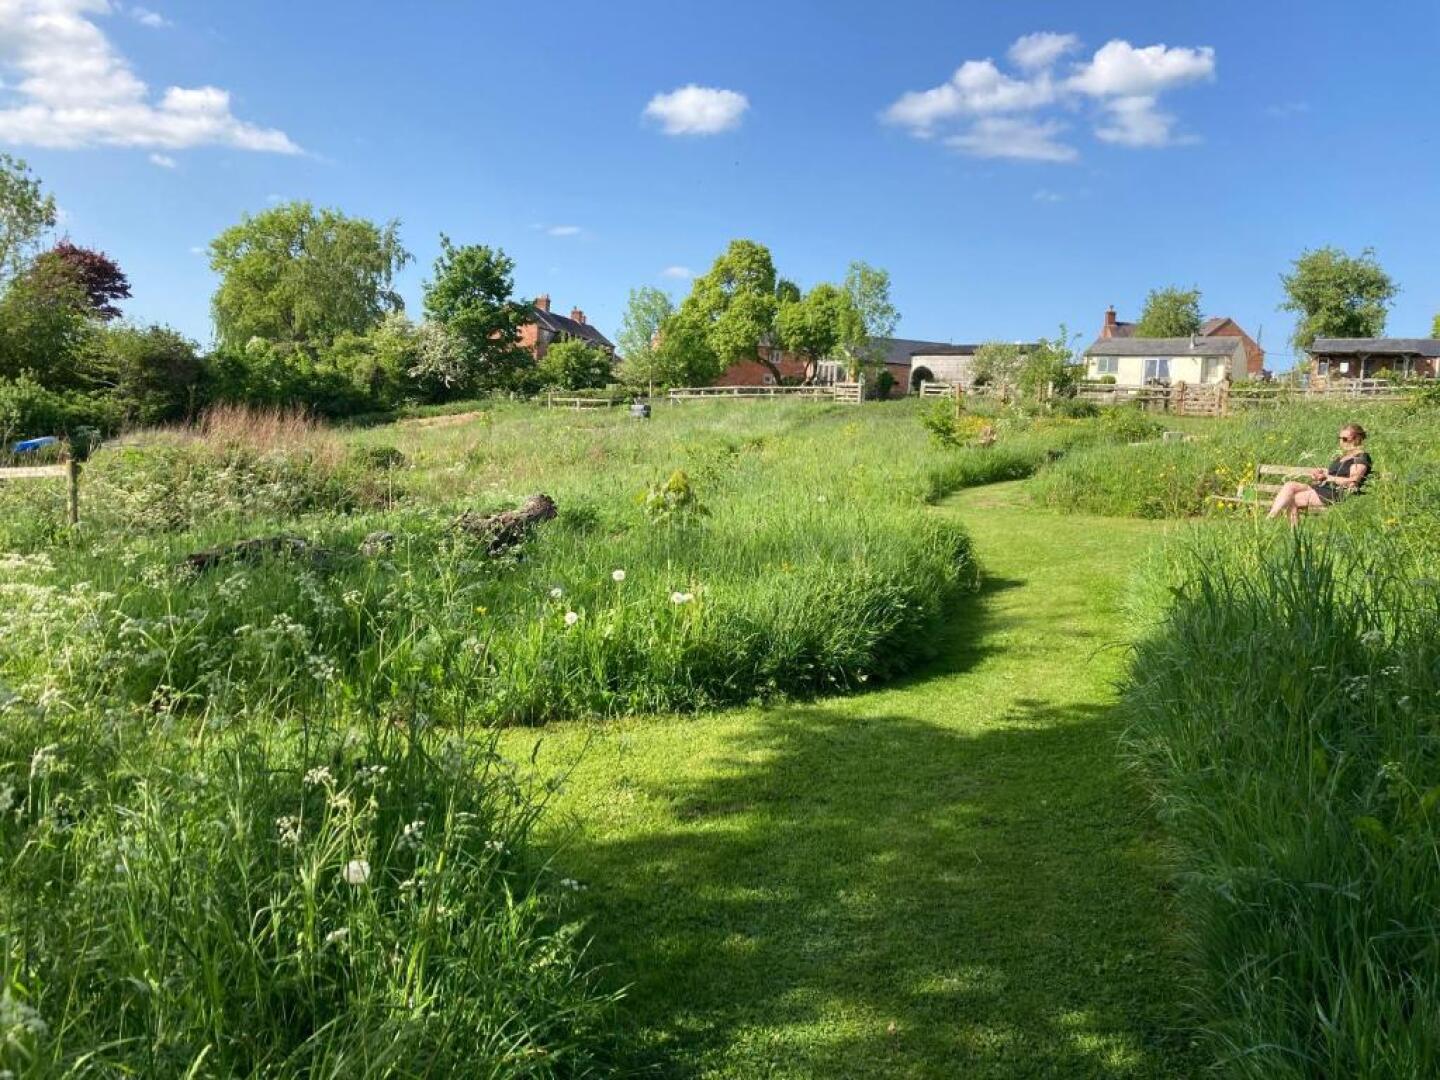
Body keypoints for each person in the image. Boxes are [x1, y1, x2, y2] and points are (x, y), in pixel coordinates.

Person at [1267, 423, 1372, 525]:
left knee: (1291, 499)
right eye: (1339, 438)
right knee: (1290, 485)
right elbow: (1335, 473)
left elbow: (1353, 481)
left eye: (1345, 439)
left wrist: (1328, 477)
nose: (1341, 442)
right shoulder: (1343, 457)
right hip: (1323, 487)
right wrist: (1321, 473)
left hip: (1336, 492)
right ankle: (1271, 517)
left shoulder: (1360, 457)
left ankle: (1290, 531)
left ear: (1357, 439)